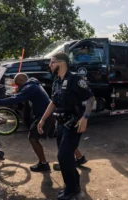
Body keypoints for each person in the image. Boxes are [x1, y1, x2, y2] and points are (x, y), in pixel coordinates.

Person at [0, 73, 87, 172]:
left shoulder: (30, 88)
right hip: (49, 114)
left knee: (33, 138)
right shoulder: (32, 84)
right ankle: (80, 157)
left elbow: (15, 99)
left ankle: (43, 163)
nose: (18, 86)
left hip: (44, 115)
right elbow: (20, 97)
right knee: (60, 137)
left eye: (18, 84)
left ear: (21, 80)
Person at [37, 52, 95, 199]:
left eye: (52, 62)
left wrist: (85, 118)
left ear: (61, 63)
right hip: (61, 124)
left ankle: (71, 189)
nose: (49, 65)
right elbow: (53, 102)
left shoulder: (75, 79)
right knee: (67, 157)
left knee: (63, 156)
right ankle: (74, 186)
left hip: (74, 123)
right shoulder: (56, 81)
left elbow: (90, 98)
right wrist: (43, 119)